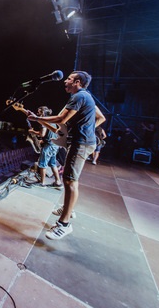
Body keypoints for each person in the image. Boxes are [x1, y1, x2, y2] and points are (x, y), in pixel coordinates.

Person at [28, 71, 105, 240]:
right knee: (69, 179)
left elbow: (62, 119)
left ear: (77, 82)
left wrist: (37, 117)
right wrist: (88, 129)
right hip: (83, 141)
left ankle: (64, 224)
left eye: (69, 79)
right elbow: (101, 117)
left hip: (81, 143)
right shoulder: (86, 96)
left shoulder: (79, 97)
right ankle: (67, 209)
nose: (65, 81)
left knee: (70, 181)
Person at [27, 106, 63, 189]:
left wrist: (33, 131)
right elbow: (52, 134)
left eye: (39, 112)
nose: (37, 114)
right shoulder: (52, 121)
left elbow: (42, 134)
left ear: (43, 113)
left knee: (42, 164)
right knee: (53, 164)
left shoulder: (44, 121)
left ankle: (42, 183)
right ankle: (58, 182)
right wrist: (44, 140)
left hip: (49, 146)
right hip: (54, 145)